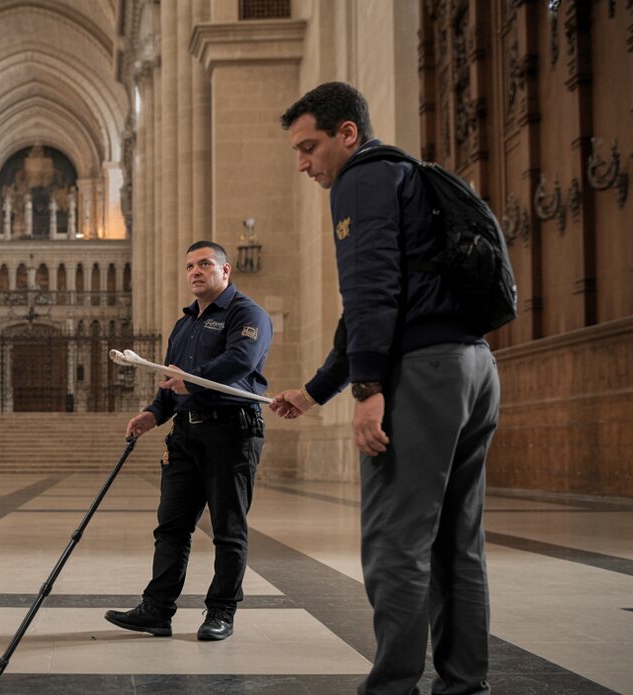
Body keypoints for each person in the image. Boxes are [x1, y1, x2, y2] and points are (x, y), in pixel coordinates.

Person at [272, 82, 500, 694]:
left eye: (310, 147)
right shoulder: (408, 175)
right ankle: (464, 685)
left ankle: (393, 687)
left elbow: (371, 291)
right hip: (474, 368)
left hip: (422, 374)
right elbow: (374, 307)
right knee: (458, 543)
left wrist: (368, 388)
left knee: (395, 544)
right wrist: (318, 390)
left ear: (348, 134)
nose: (303, 164)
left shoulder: (361, 180)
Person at [104, 241, 272, 642]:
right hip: (186, 434)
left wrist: (191, 380)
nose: (196, 271)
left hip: (231, 431)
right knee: (172, 527)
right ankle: (157, 610)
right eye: (190, 266)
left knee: (227, 529)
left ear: (226, 270)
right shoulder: (184, 325)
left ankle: (221, 613)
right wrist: (153, 413)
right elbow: (169, 378)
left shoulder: (247, 314)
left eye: (205, 264)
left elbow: (240, 362)